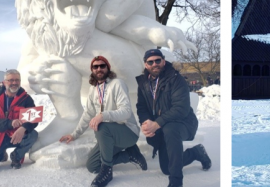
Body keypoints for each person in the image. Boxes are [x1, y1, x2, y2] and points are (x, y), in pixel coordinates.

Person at [59, 56, 147, 187]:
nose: (99, 69)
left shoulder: (117, 84)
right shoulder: (93, 89)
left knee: (102, 125)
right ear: (92, 70)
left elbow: (126, 112)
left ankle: (107, 171)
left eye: (102, 66)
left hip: (127, 132)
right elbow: (88, 113)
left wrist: (102, 115)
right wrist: (74, 134)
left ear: (108, 68)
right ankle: (130, 155)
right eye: (95, 66)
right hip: (108, 137)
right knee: (92, 166)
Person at [136, 49, 211, 187]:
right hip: (162, 127)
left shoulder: (176, 79)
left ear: (163, 61)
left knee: (171, 129)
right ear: (146, 65)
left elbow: (180, 109)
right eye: (150, 62)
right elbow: (141, 107)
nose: (155, 64)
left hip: (183, 122)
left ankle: (176, 182)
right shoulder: (143, 83)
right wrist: (146, 122)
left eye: (157, 60)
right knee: (166, 168)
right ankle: (196, 152)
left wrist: (157, 123)